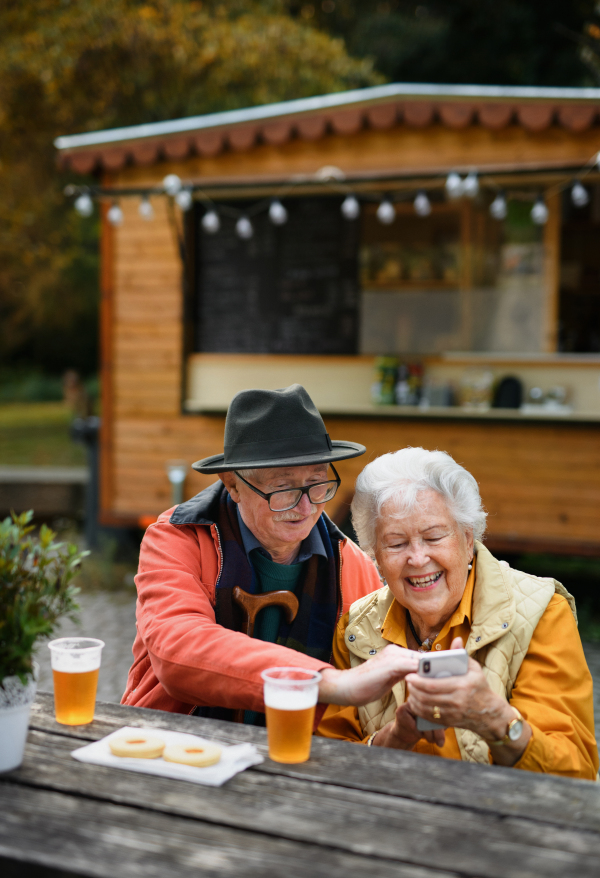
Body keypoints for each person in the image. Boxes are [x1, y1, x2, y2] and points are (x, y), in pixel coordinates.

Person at [122, 385, 418, 724]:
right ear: (233, 484)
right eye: (283, 488)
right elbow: (177, 649)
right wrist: (327, 681)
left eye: (317, 482)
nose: (306, 507)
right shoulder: (177, 539)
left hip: (295, 751)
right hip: (173, 740)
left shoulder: (350, 565)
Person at [317, 447, 599, 780]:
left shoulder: (541, 611)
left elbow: (574, 772)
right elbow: (331, 760)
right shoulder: (356, 629)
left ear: (468, 539)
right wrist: (396, 738)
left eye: (434, 536)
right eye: (396, 544)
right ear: (374, 556)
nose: (418, 558)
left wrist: (493, 718)